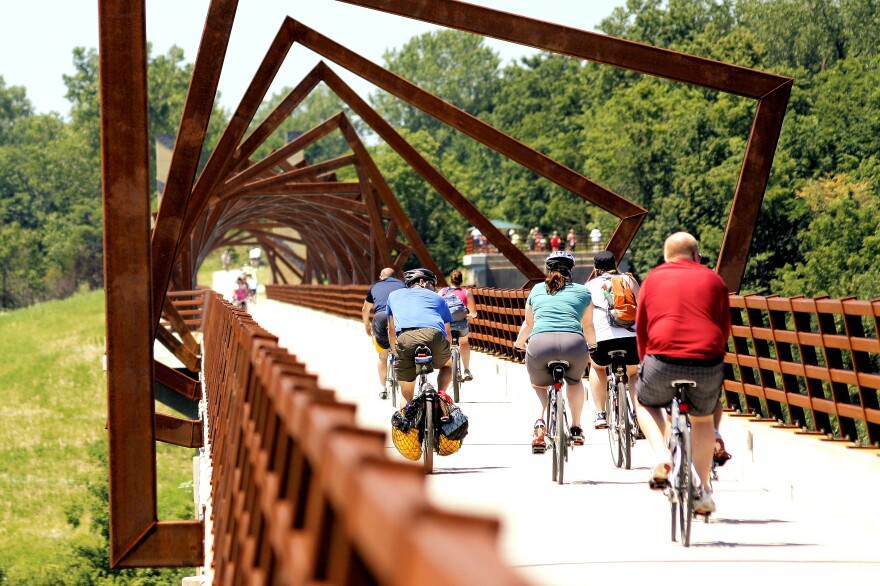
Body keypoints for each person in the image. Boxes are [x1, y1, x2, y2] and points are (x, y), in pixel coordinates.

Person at [634, 232, 731, 515]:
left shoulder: (652, 279)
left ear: (666, 256)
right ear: (696, 255)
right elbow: (724, 327)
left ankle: (662, 454)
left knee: (644, 401)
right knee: (702, 419)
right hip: (707, 359)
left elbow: (642, 329)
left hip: (662, 358)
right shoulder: (714, 280)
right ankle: (702, 489)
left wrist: (645, 364)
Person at [514, 251, 595, 450]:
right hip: (573, 344)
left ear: (548, 270)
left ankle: (540, 423)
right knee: (575, 382)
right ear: (571, 270)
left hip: (541, 344)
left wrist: (518, 343)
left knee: (538, 386)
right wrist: (593, 345)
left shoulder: (536, 290)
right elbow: (588, 327)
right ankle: (576, 428)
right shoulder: (583, 292)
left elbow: (529, 324)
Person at [585, 251, 641, 429]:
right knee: (633, 374)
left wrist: (589, 341)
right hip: (630, 338)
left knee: (597, 367)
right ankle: (638, 413)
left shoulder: (589, 286)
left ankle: (600, 414)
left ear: (595, 268)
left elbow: (586, 319)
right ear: (615, 264)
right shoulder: (629, 280)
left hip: (603, 340)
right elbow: (642, 308)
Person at [386, 268, 454, 404]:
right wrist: (446, 351)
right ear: (423, 282)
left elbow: (391, 330)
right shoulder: (438, 298)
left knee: (406, 395)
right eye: (432, 284)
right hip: (434, 336)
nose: (434, 289)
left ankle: (406, 419)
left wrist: (396, 353)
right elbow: (447, 333)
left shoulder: (393, 296)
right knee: (447, 365)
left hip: (405, 339)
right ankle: (441, 396)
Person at [362, 267, 406, 399]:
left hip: (380, 317)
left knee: (382, 356)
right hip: (399, 317)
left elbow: (365, 309)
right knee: (399, 352)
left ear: (381, 276)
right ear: (395, 276)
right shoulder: (402, 285)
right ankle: (402, 381)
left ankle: (383, 388)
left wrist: (367, 325)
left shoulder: (375, 286)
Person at [438, 270, 478, 381]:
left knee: (446, 345)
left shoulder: (442, 292)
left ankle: (448, 368)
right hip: (461, 324)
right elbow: (473, 313)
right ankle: (466, 370)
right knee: (464, 343)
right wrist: (470, 316)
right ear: (461, 280)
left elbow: (436, 309)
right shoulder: (466, 293)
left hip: (447, 325)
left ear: (450, 279)